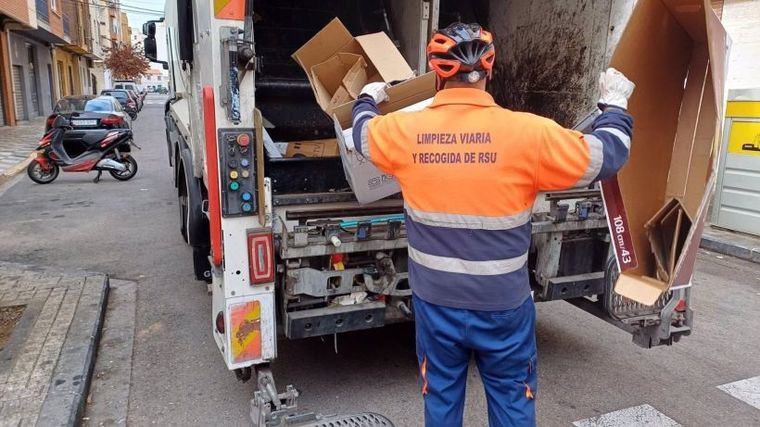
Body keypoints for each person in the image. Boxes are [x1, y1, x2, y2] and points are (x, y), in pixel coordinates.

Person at [348, 22, 635, 427]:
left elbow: (361, 134)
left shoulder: (403, 132)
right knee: (512, 399)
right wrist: (614, 107)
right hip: (502, 306)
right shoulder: (529, 134)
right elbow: (609, 155)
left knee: (441, 396)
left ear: (436, 72)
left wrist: (367, 98)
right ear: (489, 69)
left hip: (436, 303)